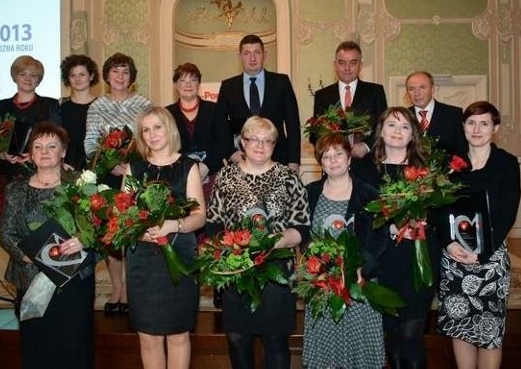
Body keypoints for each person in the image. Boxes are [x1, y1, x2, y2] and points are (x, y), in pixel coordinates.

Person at [206, 116, 310, 369]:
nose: (260, 145)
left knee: (275, 341)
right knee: (238, 338)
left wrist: (277, 241)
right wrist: (232, 246)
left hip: (277, 272)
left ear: (275, 145)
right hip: (236, 269)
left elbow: (303, 228)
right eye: (254, 139)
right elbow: (213, 223)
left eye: (268, 141)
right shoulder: (225, 176)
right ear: (243, 141)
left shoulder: (289, 177)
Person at [0, 122, 95, 369]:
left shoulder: (82, 185)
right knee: (35, 346)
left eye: (52, 146)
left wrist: (82, 240)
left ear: (63, 151)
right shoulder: (16, 189)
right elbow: (6, 233)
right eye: (38, 146)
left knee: (73, 345)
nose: (44, 151)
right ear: (30, 153)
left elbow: (100, 229)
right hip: (30, 279)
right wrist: (31, 256)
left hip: (72, 281)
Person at [436, 101, 521, 369]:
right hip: (455, 258)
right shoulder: (450, 163)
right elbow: (438, 207)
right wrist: (449, 244)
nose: (477, 129)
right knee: (460, 325)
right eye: (471, 122)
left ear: (495, 128)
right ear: (463, 126)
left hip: (490, 260)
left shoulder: (507, 163)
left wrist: (482, 253)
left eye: (484, 123)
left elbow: (507, 213)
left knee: (489, 330)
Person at [356, 106, 439, 369]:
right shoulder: (363, 170)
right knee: (391, 331)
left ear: (413, 134)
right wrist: (388, 227)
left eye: (405, 127)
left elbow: (440, 211)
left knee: (411, 332)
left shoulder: (426, 170)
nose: (397, 132)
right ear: (381, 130)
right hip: (382, 259)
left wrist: (423, 220)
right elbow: (359, 215)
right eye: (391, 125)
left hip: (418, 258)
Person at [125, 106, 206, 369]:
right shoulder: (133, 168)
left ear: (169, 128)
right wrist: (138, 229)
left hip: (179, 256)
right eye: (145, 130)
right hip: (142, 261)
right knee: (147, 336)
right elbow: (123, 216)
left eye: (157, 127)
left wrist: (173, 225)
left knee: (178, 334)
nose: (151, 134)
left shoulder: (188, 166)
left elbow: (199, 216)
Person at [303, 133, 388, 369]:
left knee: (359, 353)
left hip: (359, 283)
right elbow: (302, 235)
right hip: (323, 284)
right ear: (320, 162)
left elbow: (381, 235)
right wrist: (316, 265)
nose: (333, 160)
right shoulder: (309, 193)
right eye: (326, 156)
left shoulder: (368, 192)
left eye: (338, 154)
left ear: (349, 158)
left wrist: (362, 267)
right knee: (326, 354)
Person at [83, 52, 153, 313]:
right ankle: (117, 290)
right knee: (111, 235)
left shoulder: (144, 103)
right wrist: (111, 165)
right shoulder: (97, 106)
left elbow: (152, 137)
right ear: (107, 76)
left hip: (136, 176)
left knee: (134, 229)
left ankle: (134, 290)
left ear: (131, 77)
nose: (120, 77)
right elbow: (90, 143)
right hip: (108, 177)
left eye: (125, 72)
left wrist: (132, 166)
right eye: (115, 72)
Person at [0, 55, 61, 228]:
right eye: (23, 74)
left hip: (41, 173)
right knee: (11, 228)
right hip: (10, 175)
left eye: (33, 75)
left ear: (39, 80)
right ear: (15, 76)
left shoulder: (49, 105)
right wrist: (2, 154)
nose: (28, 78)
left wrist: (34, 156)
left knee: (41, 226)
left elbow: (58, 139)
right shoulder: (1, 106)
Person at [215, 34, 301, 172]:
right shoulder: (228, 86)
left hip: (279, 159)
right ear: (240, 56)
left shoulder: (281, 82)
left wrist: (294, 160)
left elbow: (293, 123)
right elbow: (220, 125)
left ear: (264, 55)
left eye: (257, 52)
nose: (252, 58)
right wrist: (231, 153)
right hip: (241, 160)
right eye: (247, 53)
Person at [311, 40, 387, 175]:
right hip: (333, 168)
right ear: (335, 65)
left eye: (353, 62)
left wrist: (366, 146)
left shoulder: (375, 91)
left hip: (367, 167)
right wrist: (330, 149)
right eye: (342, 62)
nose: (347, 68)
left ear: (360, 65)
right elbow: (315, 132)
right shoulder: (322, 95)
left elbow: (384, 127)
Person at [165, 62, 226, 197]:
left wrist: (205, 168)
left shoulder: (215, 110)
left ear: (199, 84)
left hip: (212, 175)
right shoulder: (166, 114)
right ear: (176, 85)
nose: (188, 85)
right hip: (177, 177)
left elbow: (223, 143)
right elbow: (165, 146)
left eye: (193, 80)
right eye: (182, 80)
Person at [405, 70, 468, 155]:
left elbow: (463, 150)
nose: (417, 93)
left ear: (433, 89)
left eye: (422, 87)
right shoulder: (403, 116)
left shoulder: (454, 114)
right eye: (412, 89)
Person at [60, 54, 100, 171]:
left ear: (91, 76)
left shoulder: (102, 105)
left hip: (96, 166)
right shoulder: (59, 105)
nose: (77, 79)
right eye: (73, 75)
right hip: (67, 167)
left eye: (82, 74)